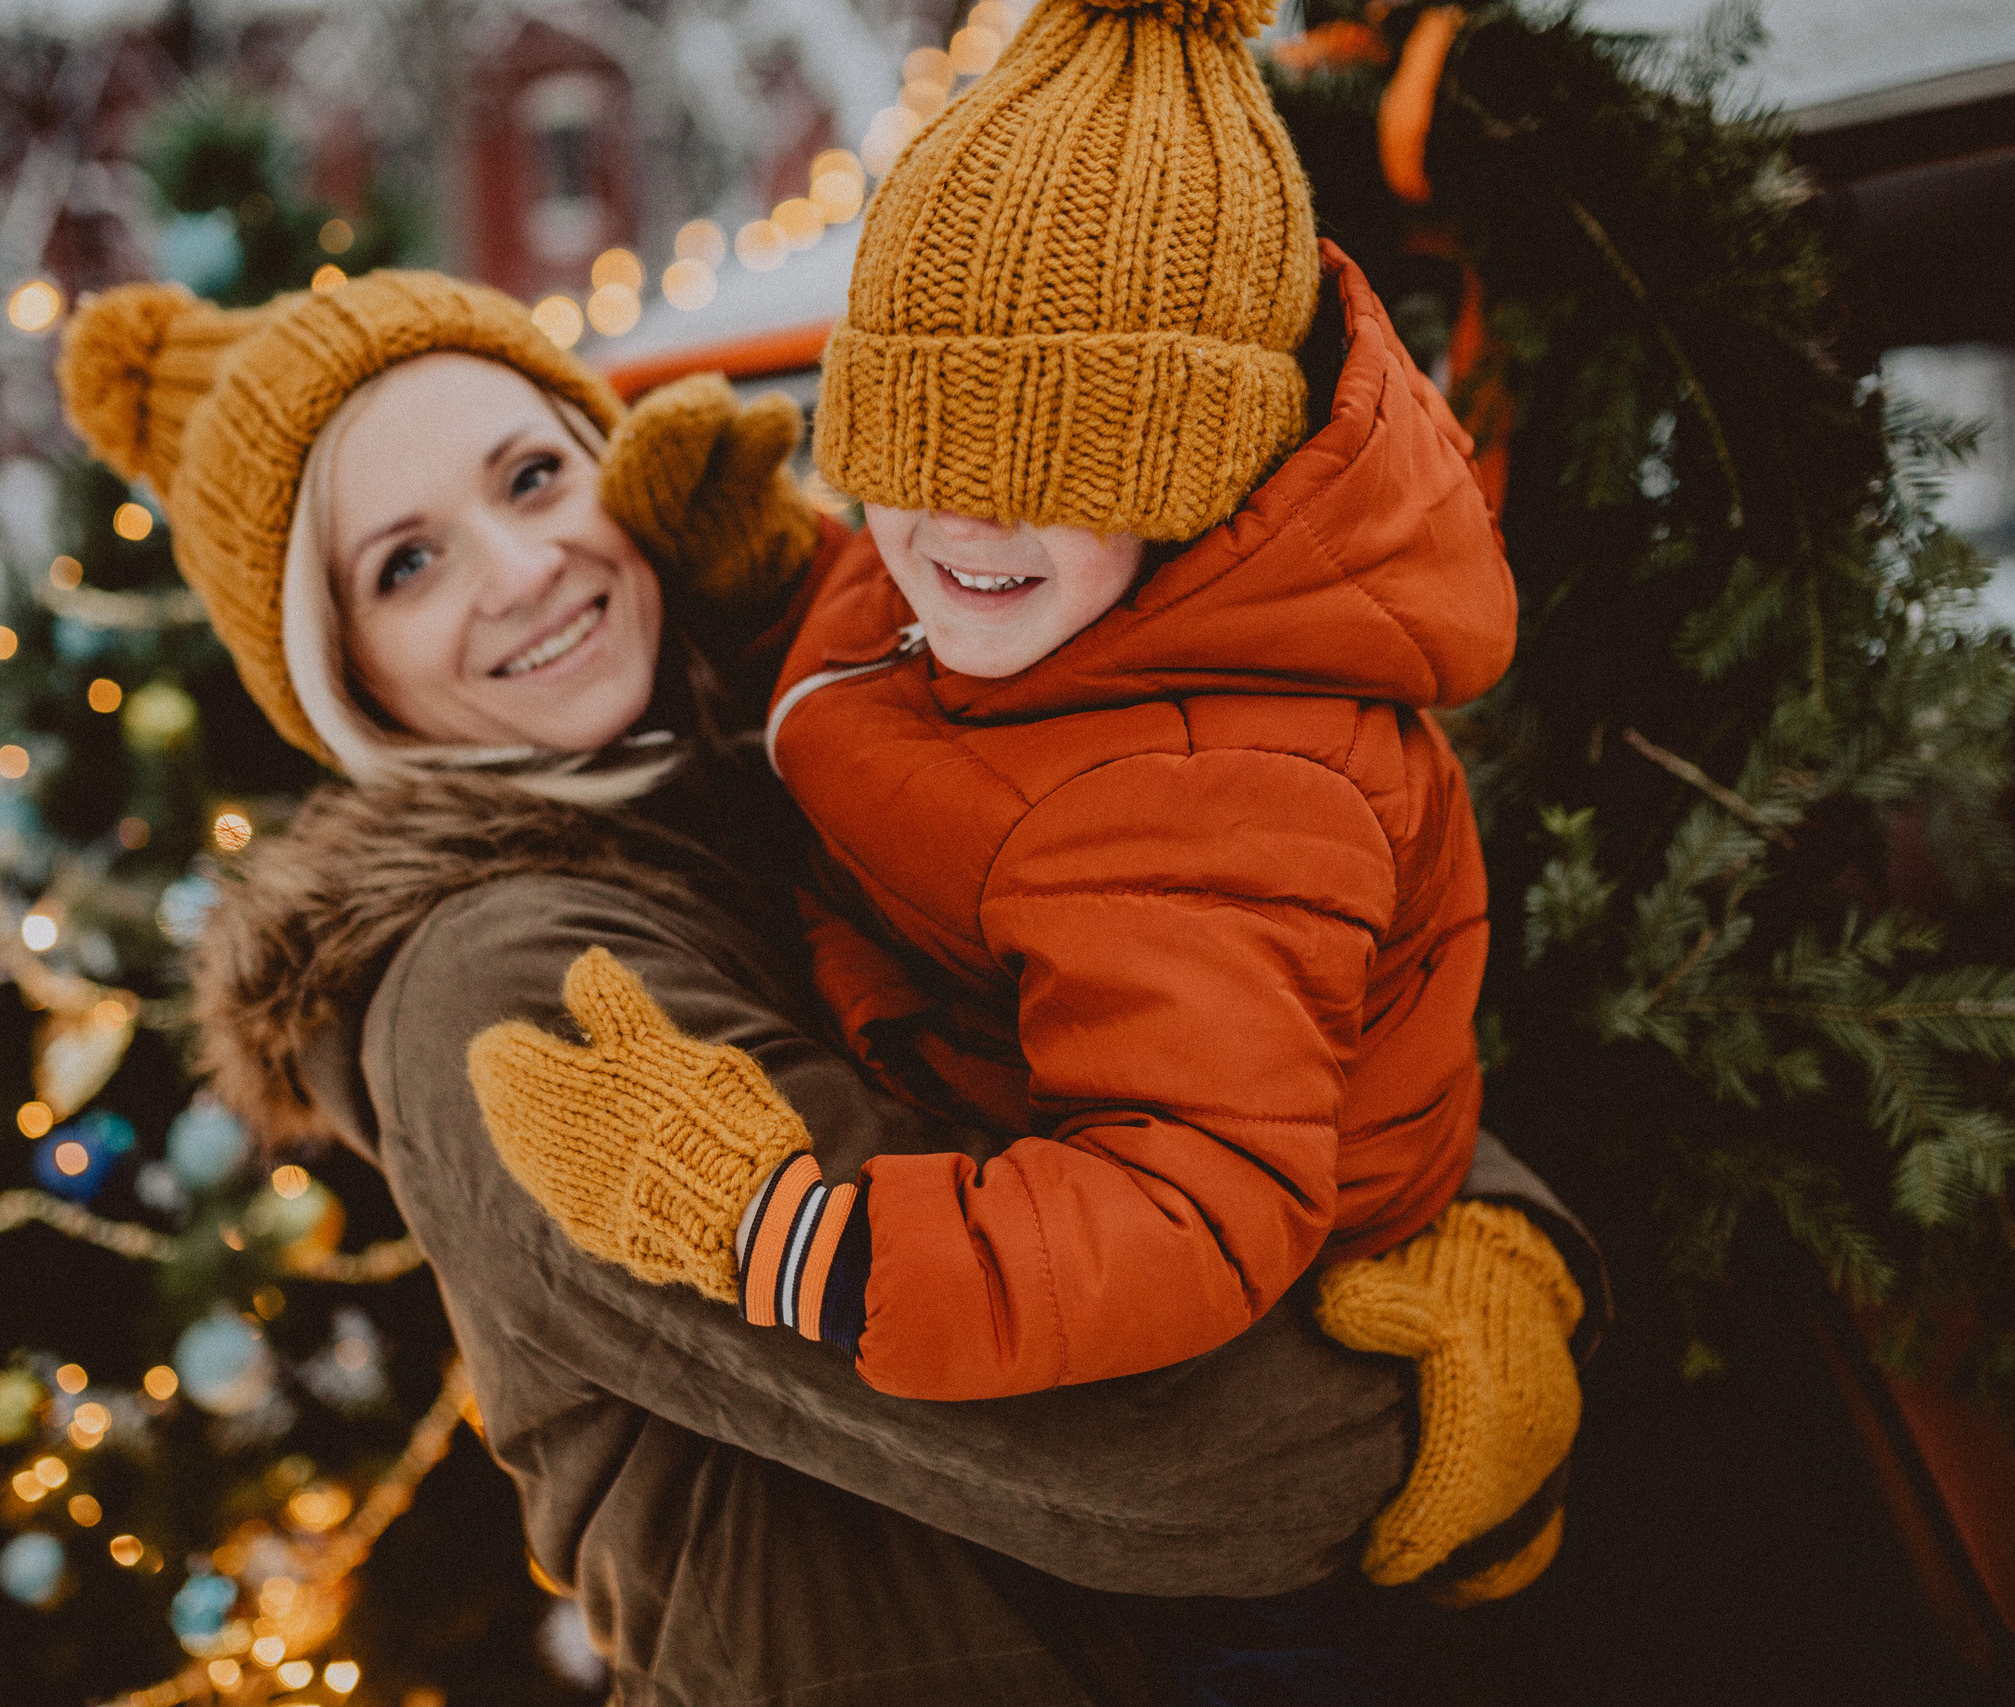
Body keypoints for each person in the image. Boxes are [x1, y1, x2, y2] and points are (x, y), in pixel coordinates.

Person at [57, 268, 1600, 1703]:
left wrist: (1492, 1237)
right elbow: (1151, 1453)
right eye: (406, 565)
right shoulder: (505, 994)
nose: (525, 568)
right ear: (351, 684)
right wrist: (1425, 1404)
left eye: (532, 475)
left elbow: (1265, 942)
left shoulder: (804, 741)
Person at [464, 0, 1587, 1609]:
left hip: (1241, 1286)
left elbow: (1187, 1210)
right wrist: (755, 575)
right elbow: (892, 644)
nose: (961, 517)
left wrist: (786, 1233)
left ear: (1202, 475)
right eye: (912, 449)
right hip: (997, 1066)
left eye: (1058, 465)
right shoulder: (1009, 591)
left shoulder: (1223, 807)